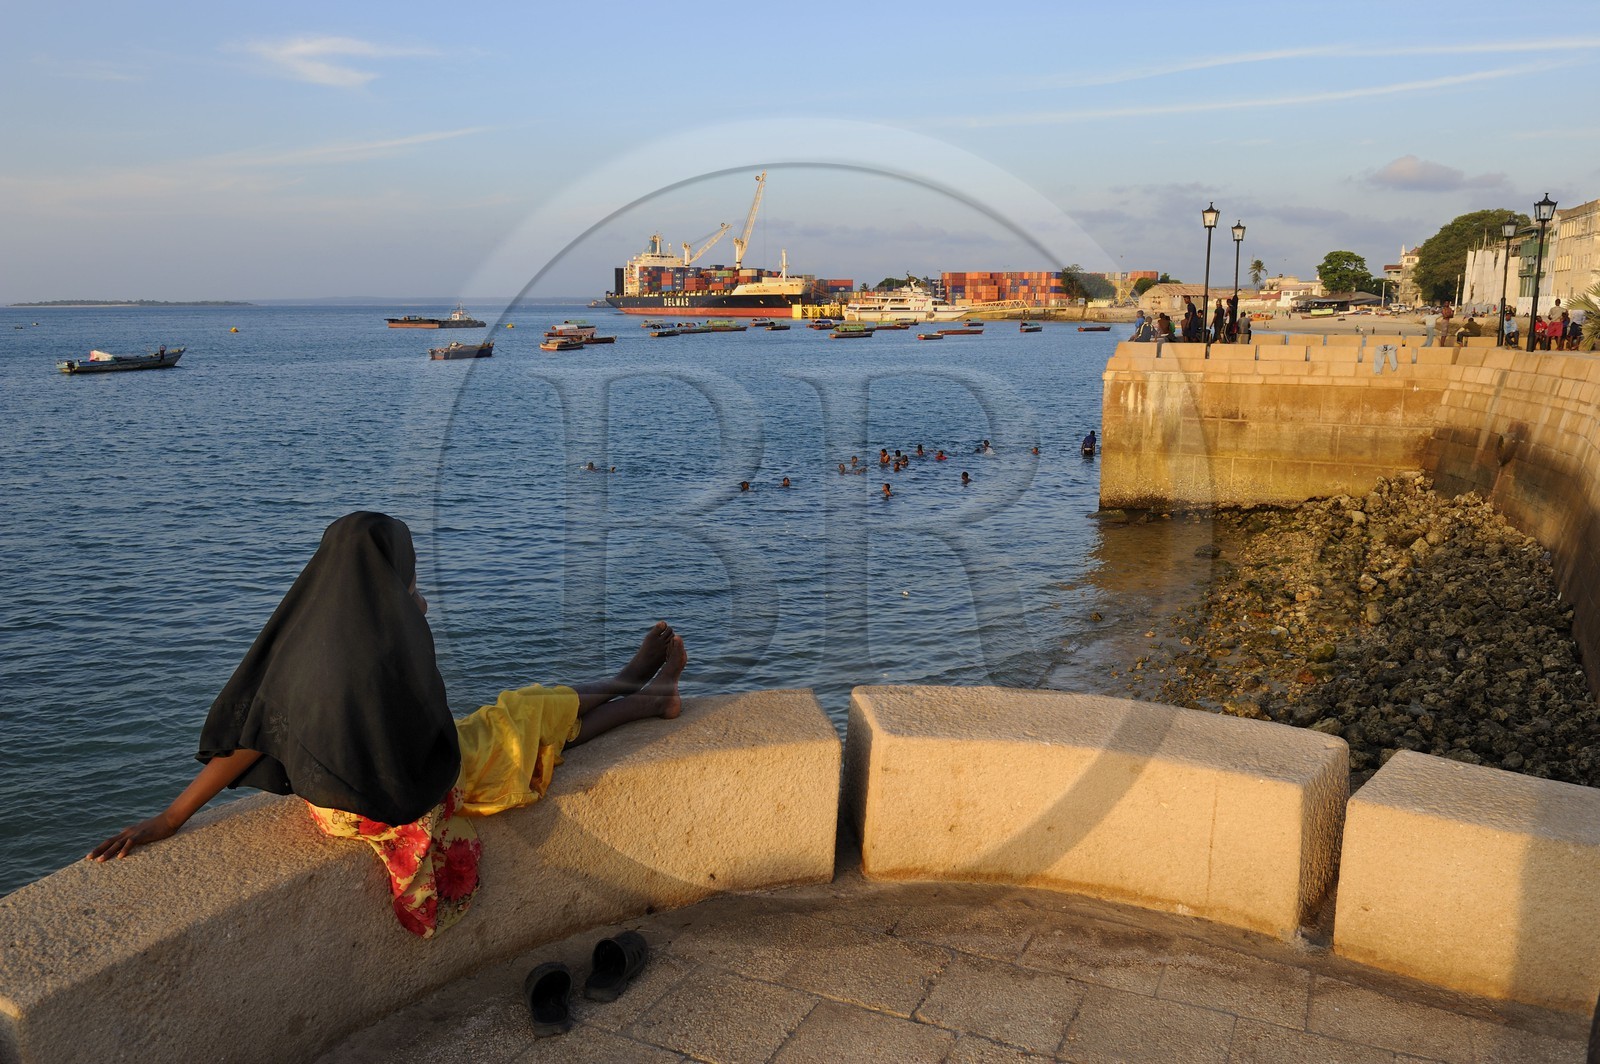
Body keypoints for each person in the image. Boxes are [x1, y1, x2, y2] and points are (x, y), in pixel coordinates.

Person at [88, 513, 686, 939]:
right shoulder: (388, 635)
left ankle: (640, 687)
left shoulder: (301, 646)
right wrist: (413, 605)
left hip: (339, 807)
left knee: (515, 716)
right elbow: (424, 710)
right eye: (407, 572)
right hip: (404, 796)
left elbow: (253, 738)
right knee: (524, 717)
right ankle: (640, 689)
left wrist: (170, 817)